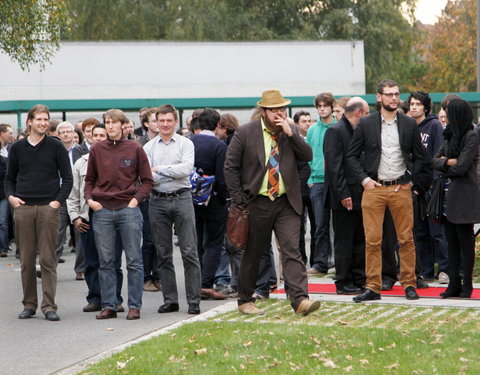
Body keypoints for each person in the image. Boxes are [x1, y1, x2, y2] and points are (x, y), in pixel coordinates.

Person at [224, 89, 320, 316]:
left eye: (282, 109)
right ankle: (245, 300)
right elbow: (230, 167)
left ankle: (300, 300)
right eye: (275, 109)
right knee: (254, 252)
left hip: (286, 201)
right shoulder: (246, 132)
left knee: (292, 249)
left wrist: (292, 134)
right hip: (257, 201)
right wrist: (240, 199)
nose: (280, 113)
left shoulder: (290, 130)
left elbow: (307, 156)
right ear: (264, 111)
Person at [346, 79, 429, 302]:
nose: (394, 98)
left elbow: (421, 158)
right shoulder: (366, 124)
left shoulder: (409, 124)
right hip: (374, 188)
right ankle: (373, 287)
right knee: (372, 240)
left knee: (406, 239)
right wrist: (364, 180)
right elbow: (351, 156)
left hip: (400, 188)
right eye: (389, 94)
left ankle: (409, 284)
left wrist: (411, 180)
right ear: (379, 97)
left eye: (396, 94)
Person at [5, 104, 72, 321]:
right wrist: (11, 198)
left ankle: (49, 305)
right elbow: (9, 178)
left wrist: (57, 202)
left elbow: (67, 179)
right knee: (26, 259)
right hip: (23, 207)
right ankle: (29, 304)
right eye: (39, 119)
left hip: (48, 208)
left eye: (46, 119)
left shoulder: (56, 146)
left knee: (47, 258)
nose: (43, 123)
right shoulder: (17, 148)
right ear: (30, 122)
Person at [85, 109, 153, 320]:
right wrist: (90, 200)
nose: (111, 126)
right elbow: (89, 180)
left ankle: (134, 306)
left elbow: (148, 180)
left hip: (128, 209)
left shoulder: (135, 148)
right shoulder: (97, 149)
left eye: (114, 122)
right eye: (107, 122)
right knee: (106, 261)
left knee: (134, 260)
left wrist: (135, 200)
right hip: (102, 209)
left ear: (123, 125)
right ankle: (110, 305)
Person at [144, 104, 202, 315]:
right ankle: (170, 300)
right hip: (157, 201)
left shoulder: (186, 144)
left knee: (189, 251)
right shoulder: (149, 147)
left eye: (169, 120)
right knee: (163, 253)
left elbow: (186, 169)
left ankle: (194, 301)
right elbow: (147, 177)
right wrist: (171, 171)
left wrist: (160, 169)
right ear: (156, 122)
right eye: (162, 121)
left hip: (182, 199)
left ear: (175, 122)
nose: (165, 124)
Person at [67, 124, 125, 313]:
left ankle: (115, 298)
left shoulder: (115, 159)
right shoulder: (80, 163)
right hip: (88, 216)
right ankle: (95, 298)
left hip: (113, 213)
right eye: (95, 135)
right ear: (88, 137)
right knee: (92, 261)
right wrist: (75, 217)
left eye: (103, 135)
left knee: (113, 261)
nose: (98, 138)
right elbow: (73, 193)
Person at [432, 98, 480, 299]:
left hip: (464, 196)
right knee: (450, 240)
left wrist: (447, 163)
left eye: (449, 113)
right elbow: (434, 161)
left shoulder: (471, 136)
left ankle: (467, 284)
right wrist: (449, 161)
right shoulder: (448, 135)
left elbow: (462, 167)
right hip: (447, 196)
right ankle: (453, 283)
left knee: (465, 240)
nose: (446, 117)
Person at [324, 97, 370, 294]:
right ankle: (343, 281)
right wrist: (343, 194)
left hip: (360, 193)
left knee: (360, 238)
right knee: (344, 241)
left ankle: (359, 278)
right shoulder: (335, 131)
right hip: (342, 195)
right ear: (358, 112)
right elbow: (334, 167)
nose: (369, 117)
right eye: (367, 113)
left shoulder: (359, 131)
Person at [408, 90, 449, 285]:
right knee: (419, 231)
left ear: (425, 107)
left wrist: (433, 182)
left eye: (418, 104)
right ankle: (426, 270)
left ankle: (444, 269)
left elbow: (438, 156)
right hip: (414, 186)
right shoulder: (407, 126)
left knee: (436, 231)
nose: (414, 107)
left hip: (432, 186)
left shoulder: (434, 126)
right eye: (412, 104)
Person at [191, 108, 230, 300]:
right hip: (213, 198)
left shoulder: (189, 141)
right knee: (214, 243)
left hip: (190, 198)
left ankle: (195, 282)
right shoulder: (219, 145)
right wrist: (226, 198)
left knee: (195, 243)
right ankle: (206, 284)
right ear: (216, 125)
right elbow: (222, 178)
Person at [306, 92, 336, 275]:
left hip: (336, 181)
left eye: (325, 105)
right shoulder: (312, 130)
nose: (322, 108)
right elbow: (307, 156)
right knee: (319, 225)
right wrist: (310, 180)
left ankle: (341, 262)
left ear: (332, 106)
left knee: (340, 225)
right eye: (319, 106)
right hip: (317, 182)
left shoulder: (339, 127)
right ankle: (320, 263)